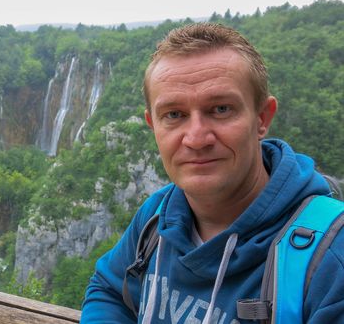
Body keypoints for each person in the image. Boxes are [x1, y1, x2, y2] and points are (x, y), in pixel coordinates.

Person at [81, 23, 344, 323]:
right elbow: (109, 290)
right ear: (152, 125)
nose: (196, 138)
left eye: (220, 109)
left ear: (262, 118)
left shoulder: (331, 256)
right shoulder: (157, 216)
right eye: (174, 115)